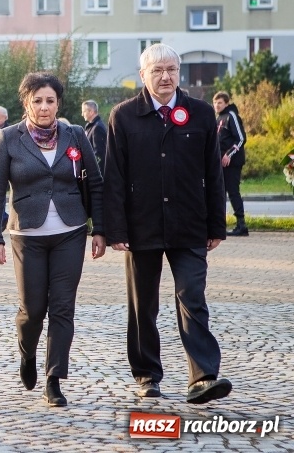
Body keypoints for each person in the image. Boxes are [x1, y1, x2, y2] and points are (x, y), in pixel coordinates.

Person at [104, 43, 231, 404]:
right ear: (142, 75)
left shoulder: (202, 114)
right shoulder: (124, 116)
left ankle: (203, 376)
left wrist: (216, 226)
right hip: (140, 227)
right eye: (157, 70)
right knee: (143, 304)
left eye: (171, 70)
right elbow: (114, 176)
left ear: (180, 73)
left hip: (189, 223)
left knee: (192, 296)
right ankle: (147, 375)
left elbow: (213, 173)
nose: (165, 77)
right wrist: (115, 230)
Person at [0, 72, 105, 407]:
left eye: (50, 100)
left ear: (58, 103)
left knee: (63, 307)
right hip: (27, 236)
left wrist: (101, 230)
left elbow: (94, 183)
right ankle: (27, 354)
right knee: (32, 309)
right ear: (26, 103)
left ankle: (54, 380)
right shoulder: (8, 138)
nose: (44, 106)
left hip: (71, 232)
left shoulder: (76, 135)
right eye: (37, 100)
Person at [213, 91, 248, 236]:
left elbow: (241, 138)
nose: (217, 105)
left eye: (220, 103)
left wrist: (229, 154)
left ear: (226, 103)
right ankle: (220, 224)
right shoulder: (218, 118)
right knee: (220, 193)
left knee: (233, 192)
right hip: (220, 163)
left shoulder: (231, 115)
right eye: (215, 103)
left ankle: (241, 224)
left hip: (232, 162)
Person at [81, 100, 106, 174]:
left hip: (97, 173)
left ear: (91, 112)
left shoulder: (97, 128)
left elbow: (98, 153)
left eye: (84, 111)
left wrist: (92, 171)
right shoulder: (91, 127)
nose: (82, 114)